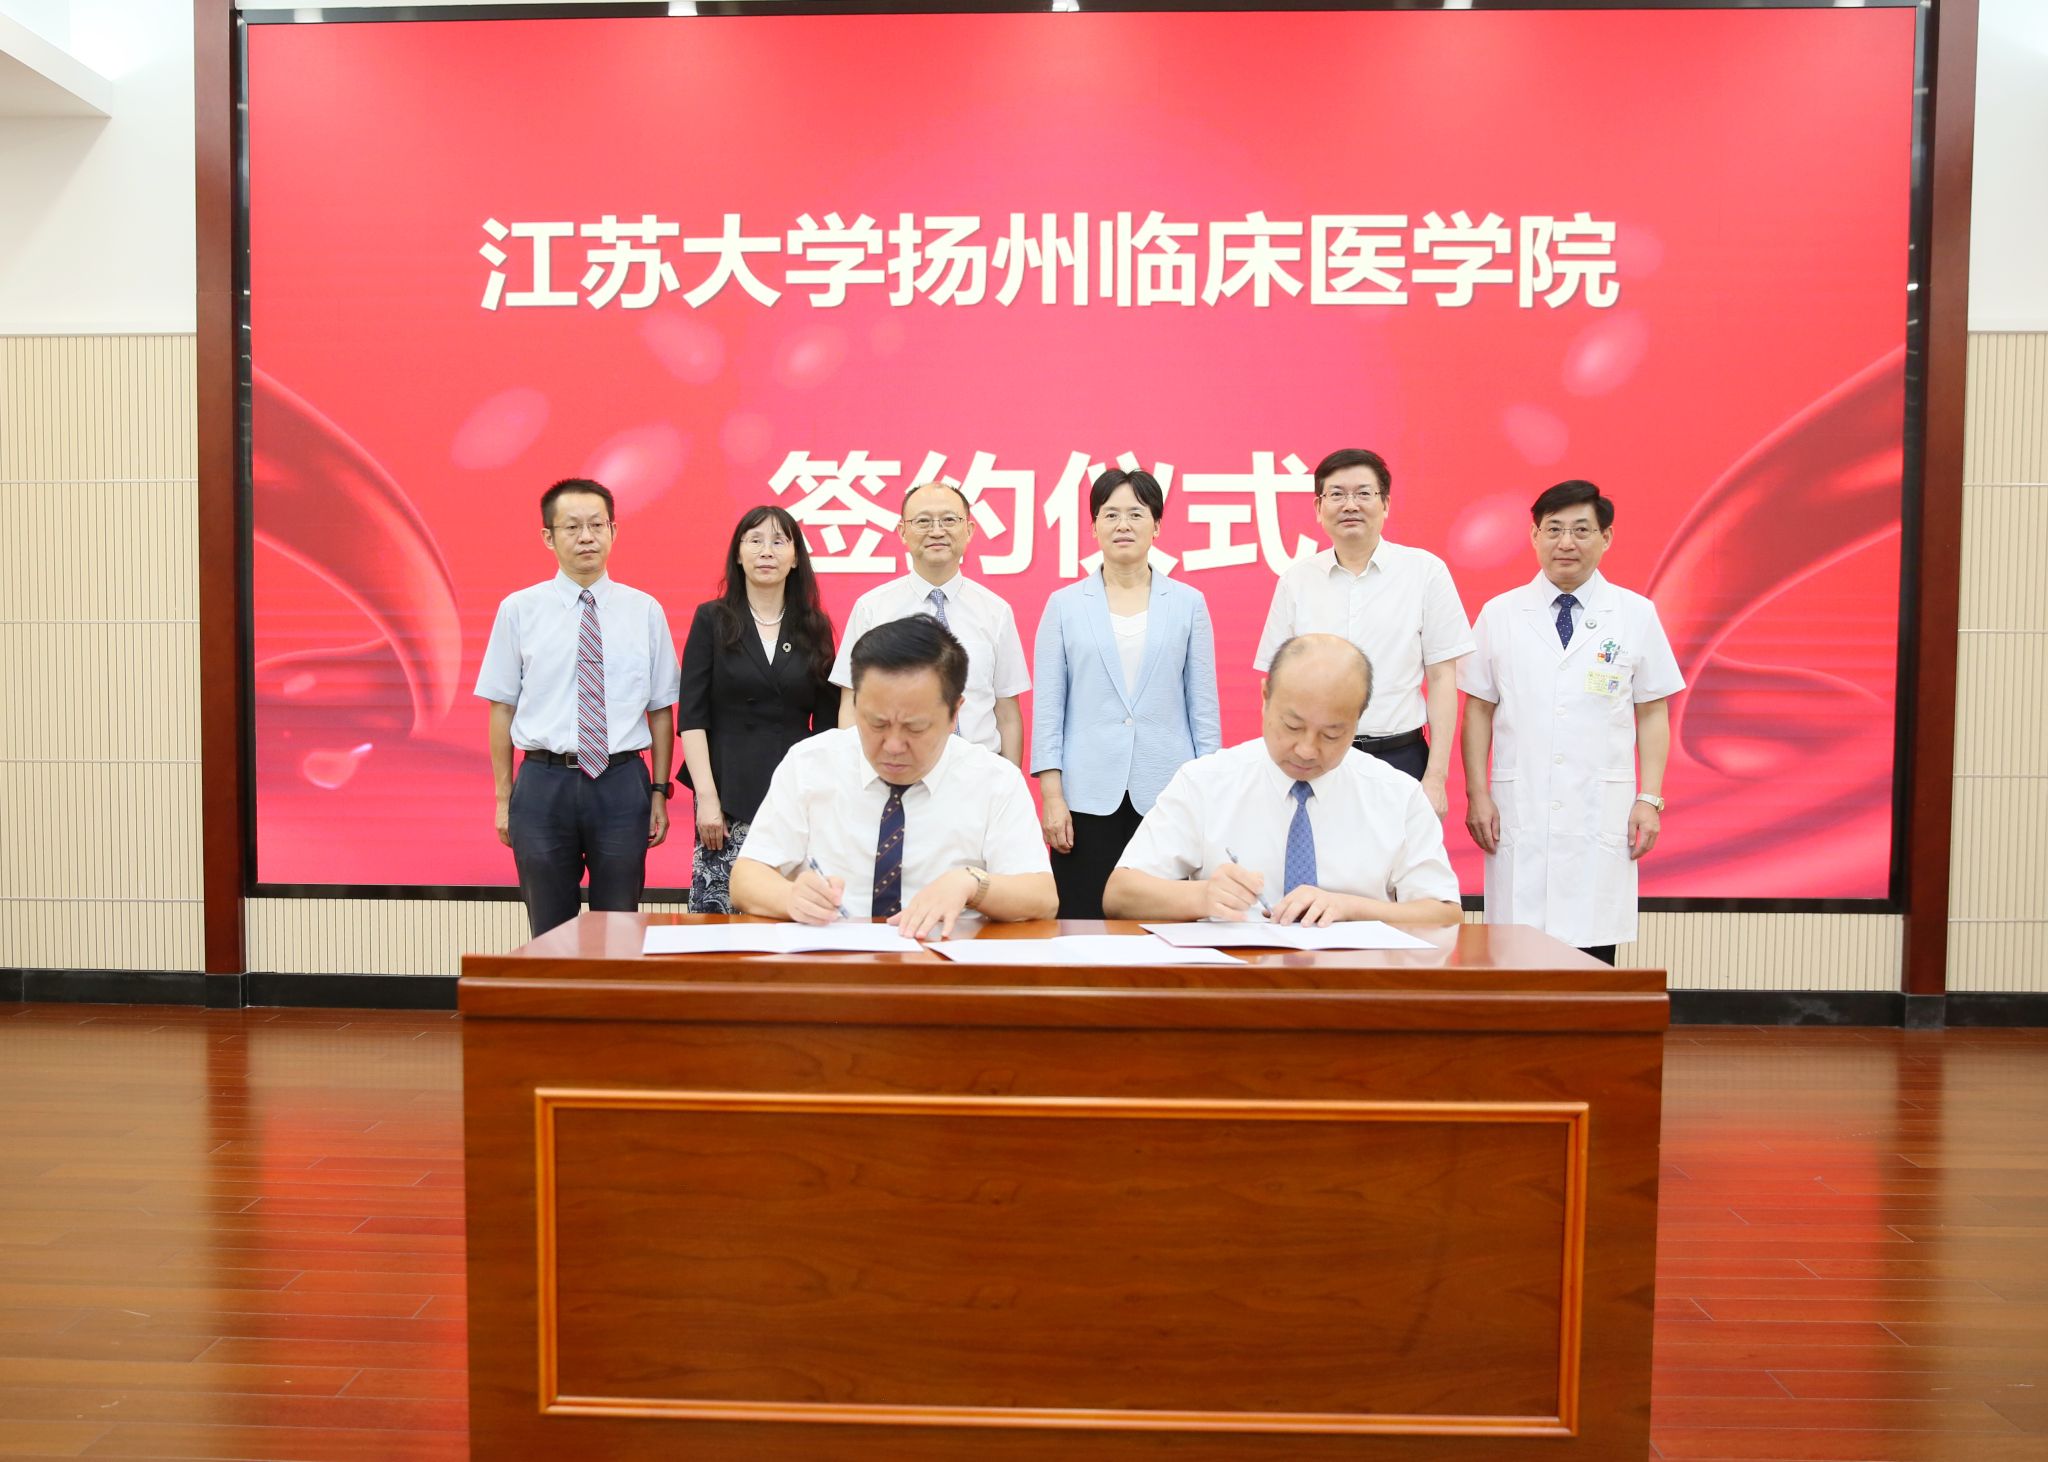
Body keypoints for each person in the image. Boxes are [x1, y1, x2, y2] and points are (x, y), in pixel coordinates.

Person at [1460, 480, 1683, 964]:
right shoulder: (1500, 613)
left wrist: (1650, 799)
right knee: (1514, 954)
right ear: (1534, 536)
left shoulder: (1634, 613)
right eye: (1554, 529)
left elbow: (1652, 711)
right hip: (1519, 807)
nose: (1567, 542)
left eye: (1582, 530)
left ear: (1606, 537)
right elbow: (1478, 709)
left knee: (1591, 956)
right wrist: (1477, 794)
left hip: (1598, 809)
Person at [1103, 634, 1461, 927]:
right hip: (1236, 979)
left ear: (1358, 720)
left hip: (1354, 982)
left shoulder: (1397, 795)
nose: (1306, 750)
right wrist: (1201, 896)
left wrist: (1351, 907)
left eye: (1331, 735)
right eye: (1292, 726)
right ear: (1265, 698)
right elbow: (1119, 895)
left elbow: (1445, 915)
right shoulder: (1206, 782)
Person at [733, 615, 1056, 938]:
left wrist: (972, 883)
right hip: (834, 958)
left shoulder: (994, 779)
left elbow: (1042, 898)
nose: (893, 746)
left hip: (944, 959)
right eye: (877, 724)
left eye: (915, 727)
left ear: (954, 713)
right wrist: (791, 897)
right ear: (855, 703)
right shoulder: (810, 763)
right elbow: (746, 877)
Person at [476, 477, 680, 937]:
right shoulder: (519, 609)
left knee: (620, 924)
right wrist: (504, 799)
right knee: (550, 930)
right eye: (572, 527)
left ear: (613, 530)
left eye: (596, 525)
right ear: (548, 537)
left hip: (621, 783)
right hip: (542, 783)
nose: (586, 537)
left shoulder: (645, 610)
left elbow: (661, 710)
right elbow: (501, 708)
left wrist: (658, 793)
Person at [1031, 468, 1221, 918]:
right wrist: (1053, 797)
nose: (1123, 525)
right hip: (1086, 795)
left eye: (1136, 514)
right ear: (1093, 526)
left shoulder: (1189, 603)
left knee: (1161, 921)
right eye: (1110, 514)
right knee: (1081, 919)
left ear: (1157, 525)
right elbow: (1049, 710)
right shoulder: (1064, 605)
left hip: (1167, 792)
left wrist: (1210, 795)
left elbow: (1204, 710)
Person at [1253, 448, 1473, 818]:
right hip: (1315, 760)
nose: (1350, 505)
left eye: (1363, 493)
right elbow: (1276, 685)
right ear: (1318, 507)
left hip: (1400, 758)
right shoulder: (1296, 581)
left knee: (1400, 857)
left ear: (1385, 504)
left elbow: (1441, 678)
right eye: (1337, 494)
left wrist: (1435, 776)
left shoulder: (1425, 572)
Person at [676, 505, 839, 913]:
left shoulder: (814, 626)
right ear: (738, 553)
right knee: (720, 916)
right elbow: (692, 717)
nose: (767, 551)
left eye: (779, 541)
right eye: (755, 540)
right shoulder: (712, 619)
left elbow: (828, 725)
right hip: (727, 792)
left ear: (795, 557)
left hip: (795, 793)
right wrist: (706, 798)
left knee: (789, 913)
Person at [831, 480, 1030, 765]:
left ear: (969, 529)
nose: (937, 531)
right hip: (895, 769)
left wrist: (1009, 782)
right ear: (902, 531)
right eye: (923, 521)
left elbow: (1007, 713)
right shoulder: (871, 609)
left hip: (977, 773)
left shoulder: (996, 611)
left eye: (949, 520)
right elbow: (851, 704)